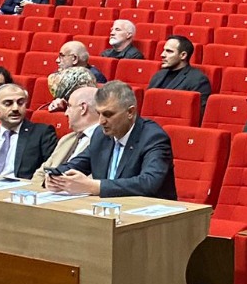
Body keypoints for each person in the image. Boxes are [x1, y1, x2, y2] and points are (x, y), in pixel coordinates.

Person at [48, 81, 177, 200]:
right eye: (99, 114)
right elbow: (77, 164)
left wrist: (94, 186)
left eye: (108, 114)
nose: (101, 121)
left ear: (130, 112)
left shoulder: (153, 137)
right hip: (107, 211)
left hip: (150, 215)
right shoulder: (100, 134)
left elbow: (149, 182)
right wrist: (55, 177)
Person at [33, 84, 101, 186]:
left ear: (83, 108)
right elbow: (41, 173)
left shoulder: (105, 141)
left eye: (69, 106)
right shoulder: (67, 139)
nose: (65, 113)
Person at [149, 36, 212, 107]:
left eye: (169, 51)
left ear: (183, 55)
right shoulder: (159, 75)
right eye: (164, 50)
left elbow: (195, 112)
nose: (162, 55)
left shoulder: (198, 80)